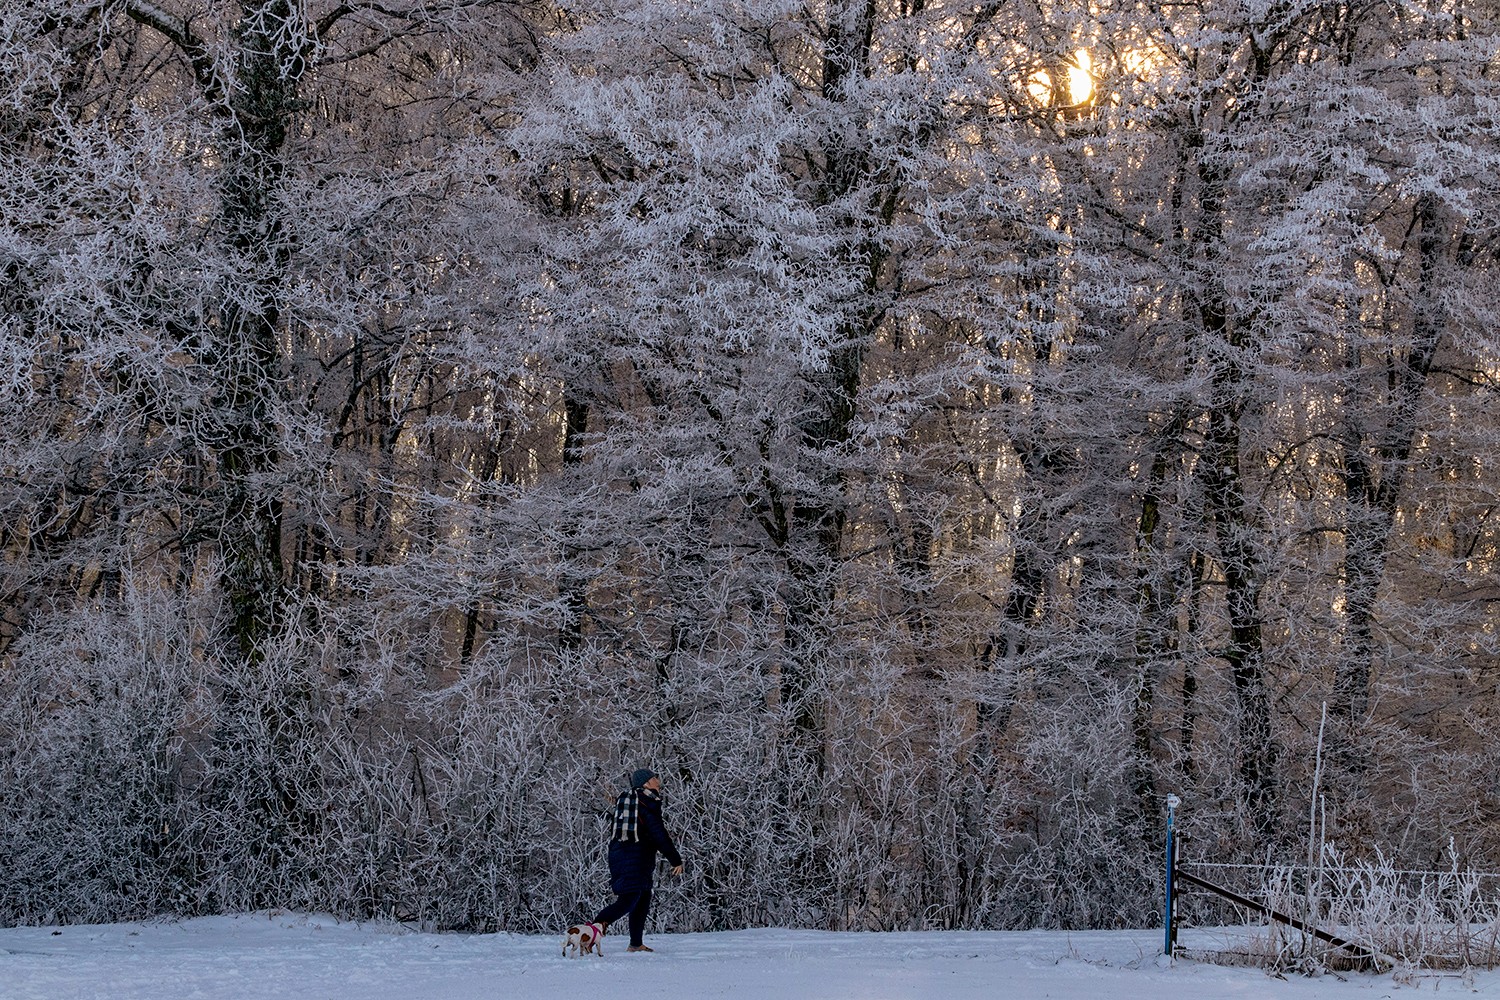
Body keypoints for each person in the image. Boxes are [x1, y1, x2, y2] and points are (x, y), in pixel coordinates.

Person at [593, 768, 684, 953]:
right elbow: (658, 834)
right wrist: (675, 859)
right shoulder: (646, 802)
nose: (658, 779)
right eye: (654, 777)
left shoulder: (631, 800)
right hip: (633, 856)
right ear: (646, 783)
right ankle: (591, 930)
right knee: (629, 898)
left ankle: (636, 944)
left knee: (642, 896)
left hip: (625, 854)